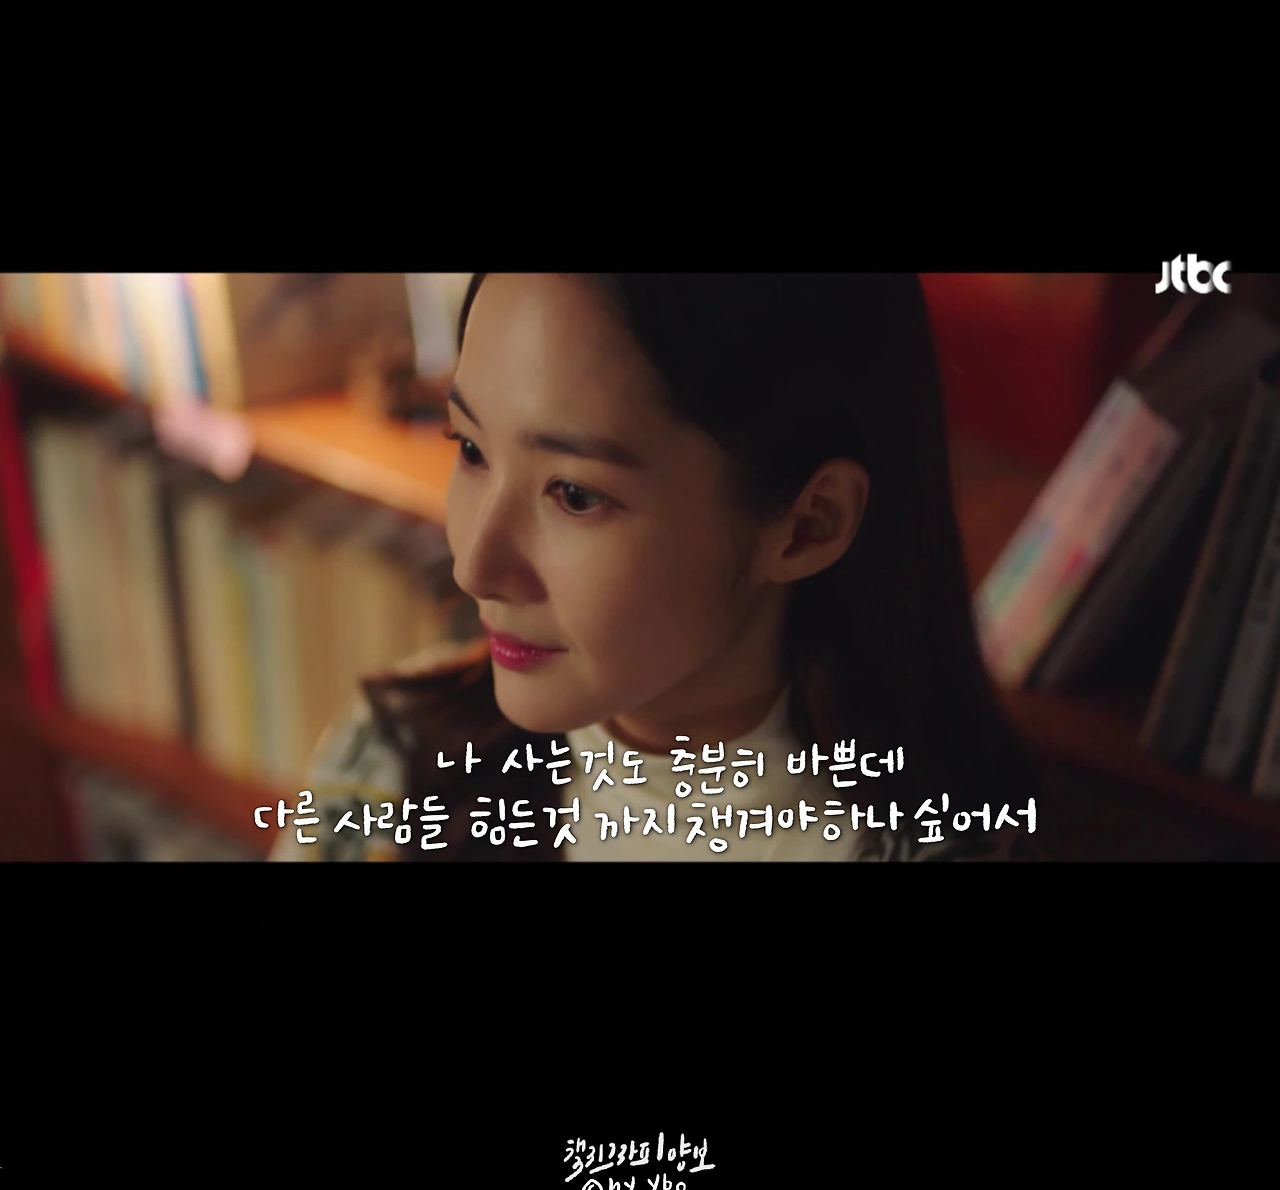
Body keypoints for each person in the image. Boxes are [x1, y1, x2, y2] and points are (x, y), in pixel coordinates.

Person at [270, 273, 1045, 863]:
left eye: (574, 495)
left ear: (809, 524)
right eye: (470, 448)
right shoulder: (384, 773)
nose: (474, 565)